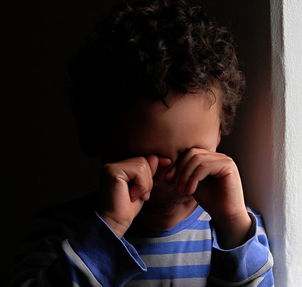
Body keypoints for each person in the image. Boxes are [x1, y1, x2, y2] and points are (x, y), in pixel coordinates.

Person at [8, 0, 274, 286]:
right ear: (94, 136)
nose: (171, 178)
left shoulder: (238, 231)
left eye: (191, 154)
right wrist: (110, 228)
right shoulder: (62, 234)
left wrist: (233, 223)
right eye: (145, 156)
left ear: (220, 133)